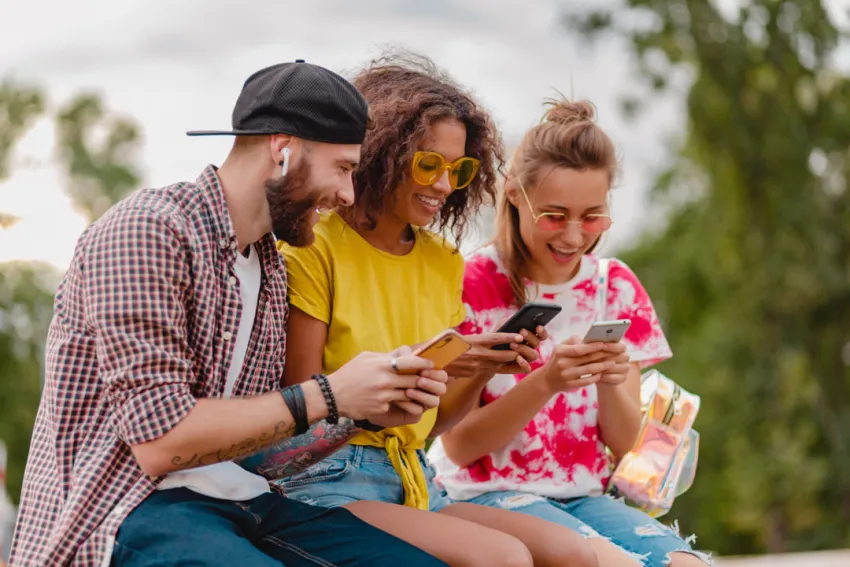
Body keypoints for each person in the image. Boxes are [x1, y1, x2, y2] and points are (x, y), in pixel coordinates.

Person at [9, 60, 452, 567]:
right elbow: (160, 443)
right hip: (129, 504)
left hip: (241, 498)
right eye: (343, 169)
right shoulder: (148, 231)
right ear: (283, 151)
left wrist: (359, 412)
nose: (347, 195)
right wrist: (329, 392)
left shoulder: (269, 267)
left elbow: (260, 451)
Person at [275, 52, 622, 567]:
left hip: (415, 476)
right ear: (382, 153)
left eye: (456, 170)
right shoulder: (316, 244)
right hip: (326, 478)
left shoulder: (442, 261)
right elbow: (300, 410)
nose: (442, 184)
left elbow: (434, 427)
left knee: (571, 553)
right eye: (428, 164)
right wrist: (391, 385)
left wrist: (479, 366)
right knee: (502, 558)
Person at [428, 99, 714, 567]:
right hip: (484, 493)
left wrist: (606, 378)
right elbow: (459, 447)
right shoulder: (470, 284)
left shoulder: (615, 287)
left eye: (593, 216)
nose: (575, 236)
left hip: (585, 496)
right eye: (555, 216)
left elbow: (626, 450)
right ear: (516, 196)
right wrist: (546, 382)